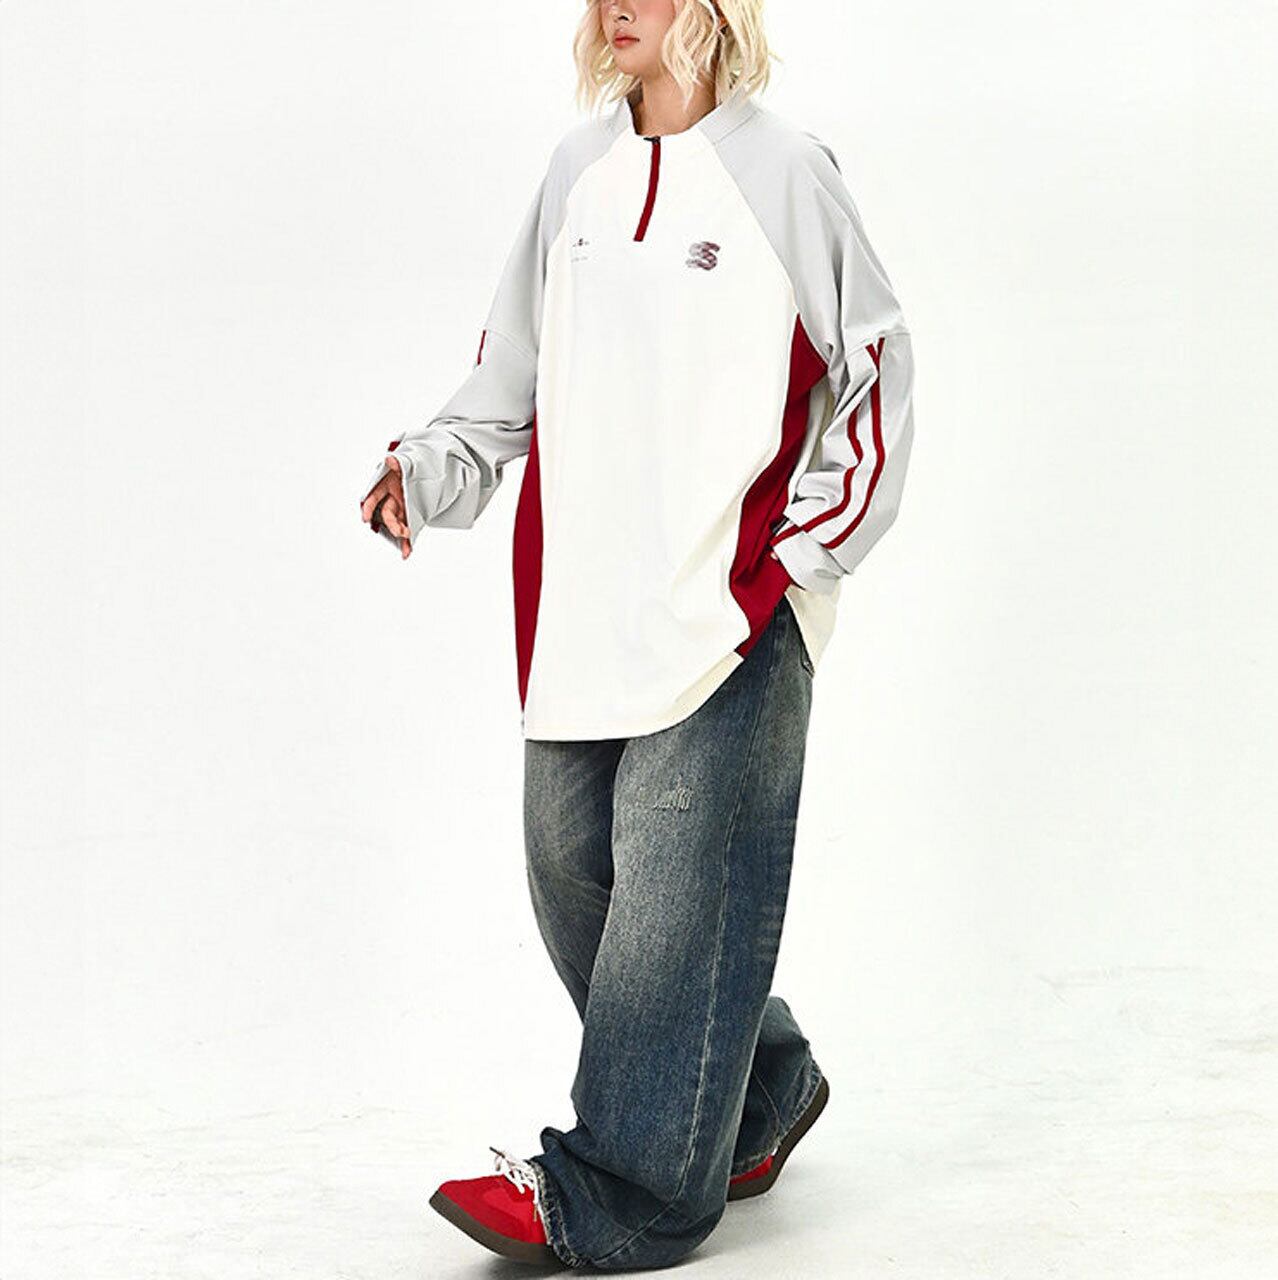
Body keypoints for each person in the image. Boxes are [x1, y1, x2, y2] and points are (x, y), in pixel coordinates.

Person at [357, 0, 915, 1269]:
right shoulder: (577, 173)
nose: (620, 5)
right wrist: (426, 470)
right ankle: (759, 1086)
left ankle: (625, 1186)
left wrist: (802, 558)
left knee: (670, 896)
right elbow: (509, 376)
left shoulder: (785, 171)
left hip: (729, 613)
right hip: (582, 612)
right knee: (570, 869)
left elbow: (876, 362)